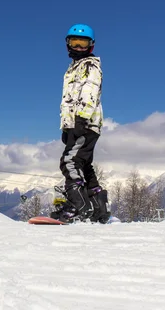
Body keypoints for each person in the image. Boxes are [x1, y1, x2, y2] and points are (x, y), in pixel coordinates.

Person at [50, 23, 110, 224]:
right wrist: (67, 126)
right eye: (74, 43)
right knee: (84, 164)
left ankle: (78, 206)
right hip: (79, 123)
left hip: (84, 122)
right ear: (67, 44)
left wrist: (81, 119)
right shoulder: (74, 68)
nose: (78, 48)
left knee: (69, 161)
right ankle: (99, 208)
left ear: (90, 46)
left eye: (82, 44)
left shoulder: (90, 66)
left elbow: (89, 92)